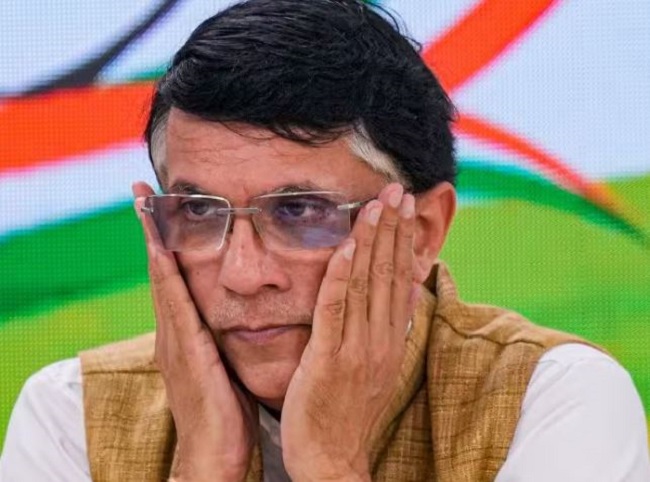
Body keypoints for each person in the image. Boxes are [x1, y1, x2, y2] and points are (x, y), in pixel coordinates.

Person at [1, 1, 649, 481]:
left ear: (422, 232)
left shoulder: (553, 398)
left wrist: (329, 465)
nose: (243, 274)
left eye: (300, 210)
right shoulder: (72, 413)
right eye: (198, 210)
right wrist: (204, 467)